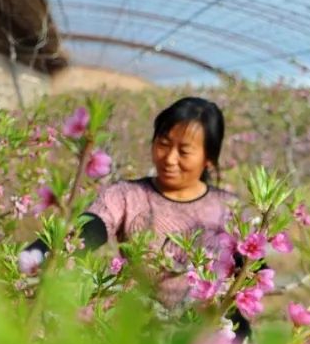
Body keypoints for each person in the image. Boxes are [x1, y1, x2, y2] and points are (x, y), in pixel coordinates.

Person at [26, 96, 238, 312]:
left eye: (184, 151)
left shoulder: (229, 209)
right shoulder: (126, 195)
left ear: (209, 159)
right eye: (163, 144)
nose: (170, 159)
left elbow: (244, 280)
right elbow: (92, 226)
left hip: (207, 335)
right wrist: (36, 255)